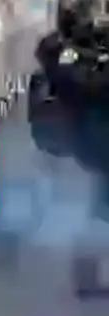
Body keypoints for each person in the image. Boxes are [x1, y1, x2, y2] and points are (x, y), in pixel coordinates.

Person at [29, 0, 109, 297]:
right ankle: (85, 272)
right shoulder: (64, 49)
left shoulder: (84, 45)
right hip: (93, 135)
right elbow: (82, 83)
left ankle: (87, 272)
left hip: (94, 134)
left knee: (100, 205)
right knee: (98, 207)